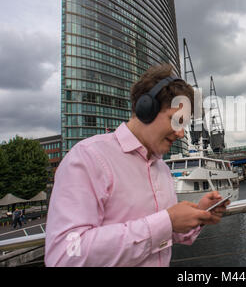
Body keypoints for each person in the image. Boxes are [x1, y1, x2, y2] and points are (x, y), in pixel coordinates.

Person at [45, 64, 229, 267]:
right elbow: (66, 255)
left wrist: (199, 214)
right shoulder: (88, 158)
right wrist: (165, 222)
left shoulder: (163, 170)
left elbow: (167, 234)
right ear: (145, 109)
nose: (180, 133)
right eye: (176, 120)